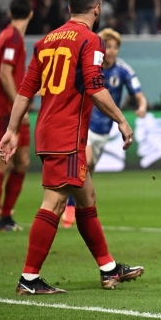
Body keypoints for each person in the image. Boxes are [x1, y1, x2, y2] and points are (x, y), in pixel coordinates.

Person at [0, 0, 143, 295]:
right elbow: (94, 87)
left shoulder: (45, 41)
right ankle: (29, 278)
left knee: (86, 198)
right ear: (97, 8)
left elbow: (25, 91)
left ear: (68, 9)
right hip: (67, 133)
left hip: (49, 129)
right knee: (54, 202)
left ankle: (108, 269)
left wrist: (11, 130)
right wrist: (121, 119)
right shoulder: (91, 40)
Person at [63, 29, 148, 228]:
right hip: (85, 124)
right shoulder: (90, 67)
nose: (111, 51)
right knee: (86, 161)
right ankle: (68, 210)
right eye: (107, 46)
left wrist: (142, 107)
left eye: (114, 47)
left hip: (104, 129)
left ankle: (73, 205)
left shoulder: (123, 70)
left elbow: (139, 94)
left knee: (86, 171)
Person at [0, 0, 33, 231]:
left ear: (9, 12)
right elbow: (5, 74)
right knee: (2, 162)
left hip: (12, 109)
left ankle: (6, 216)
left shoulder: (8, 35)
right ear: (31, 14)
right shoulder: (12, 38)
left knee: (22, 161)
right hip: (6, 110)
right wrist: (18, 106)